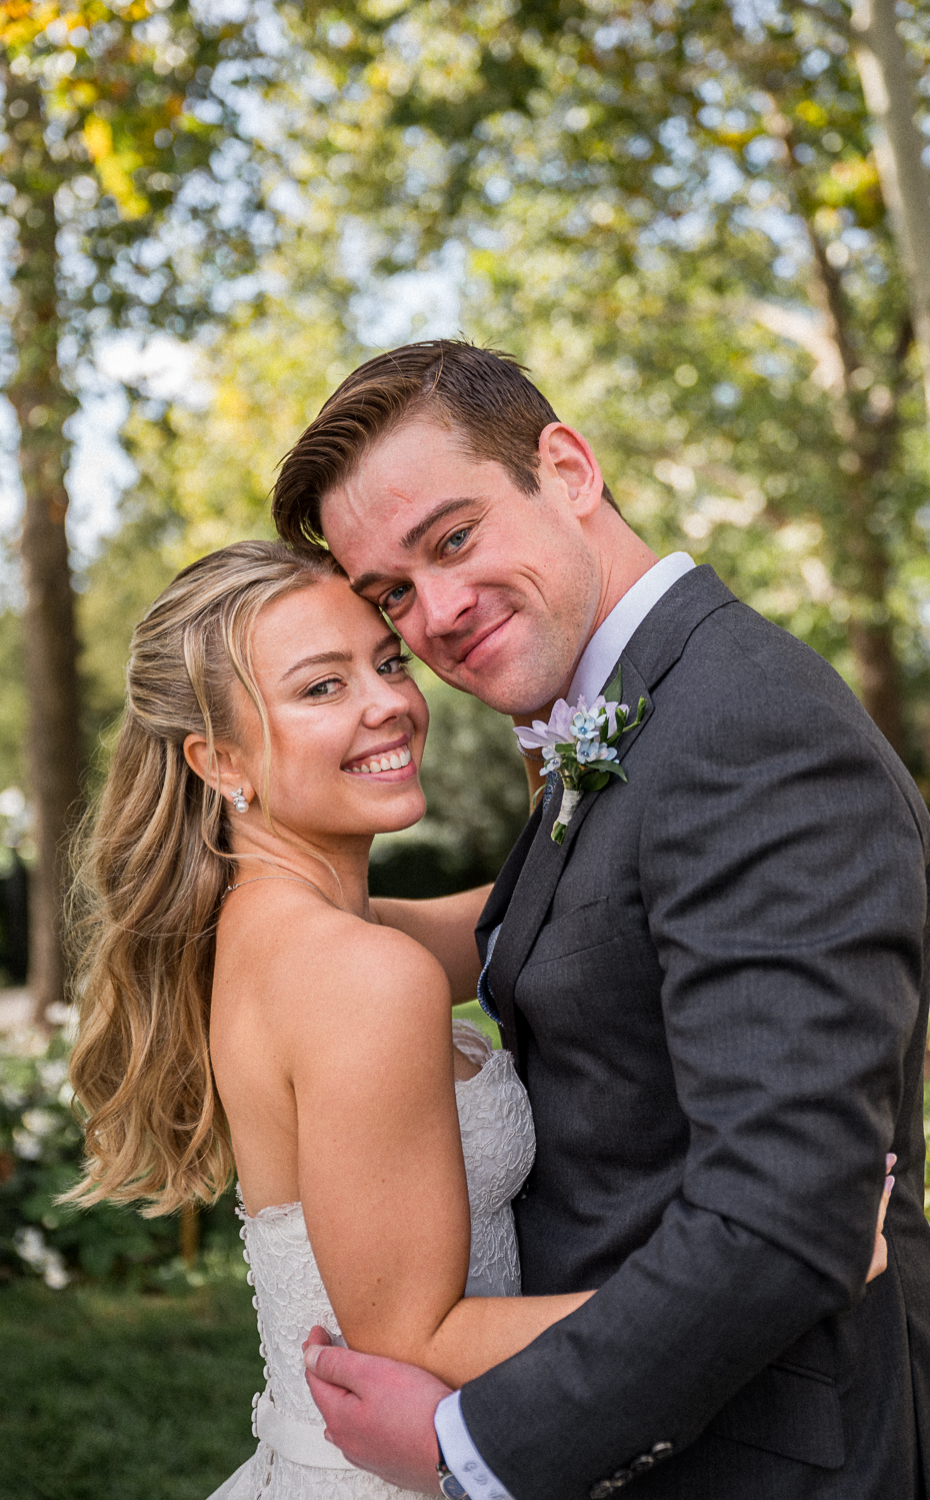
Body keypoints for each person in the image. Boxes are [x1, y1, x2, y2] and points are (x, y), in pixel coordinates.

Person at [270, 340, 930, 1500]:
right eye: (391, 593)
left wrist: (474, 1448)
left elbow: (784, 1220)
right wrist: (250, 914)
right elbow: (530, 936)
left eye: (451, 539)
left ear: (567, 468)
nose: (436, 613)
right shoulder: (622, 717)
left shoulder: (746, 728)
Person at [63, 539, 622, 1499]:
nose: (390, 703)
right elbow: (416, 1341)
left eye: (389, 660)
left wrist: (574, 754)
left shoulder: (274, 930)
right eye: (323, 687)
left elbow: (517, 915)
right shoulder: (358, 974)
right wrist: (748, 1278)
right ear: (220, 759)